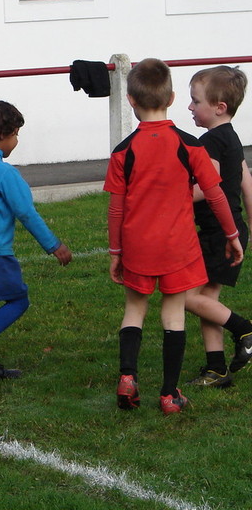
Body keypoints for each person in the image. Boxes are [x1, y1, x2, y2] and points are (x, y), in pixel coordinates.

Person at [104, 58, 243, 415]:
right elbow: (215, 194)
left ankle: (128, 376)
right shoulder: (190, 145)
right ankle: (169, 395)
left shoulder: (122, 152)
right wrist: (232, 233)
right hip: (178, 248)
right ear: (171, 98)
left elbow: (116, 209)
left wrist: (116, 251)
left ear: (131, 101)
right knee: (173, 315)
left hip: (137, 246)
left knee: (134, 309)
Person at [0, 96, 72, 385]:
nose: (17, 140)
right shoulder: (5, 173)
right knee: (19, 300)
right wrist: (54, 245)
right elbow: (26, 213)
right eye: (16, 134)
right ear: (1, 135)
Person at [184, 66, 252, 387]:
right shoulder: (232, 138)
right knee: (207, 300)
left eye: (196, 101)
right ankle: (216, 370)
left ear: (219, 107)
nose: (190, 107)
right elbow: (246, 183)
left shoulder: (210, 141)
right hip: (232, 230)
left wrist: (168, 199)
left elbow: (205, 187)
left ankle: (244, 329)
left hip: (218, 234)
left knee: (187, 298)